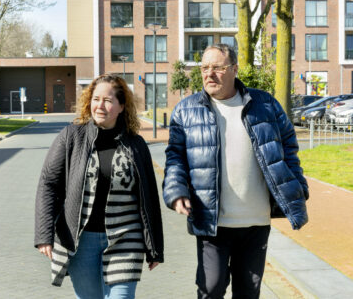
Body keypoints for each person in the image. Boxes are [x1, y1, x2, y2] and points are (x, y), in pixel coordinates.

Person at [163, 43, 309, 299]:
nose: (209, 74)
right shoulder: (186, 111)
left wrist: (297, 185)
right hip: (212, 221)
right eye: (204, 68)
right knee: (211, 288)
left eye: (217, 68)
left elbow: (288, 146)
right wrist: (176, 191)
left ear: (234, 69)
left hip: (256, 221)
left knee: (248, 293)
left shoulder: (265, 104)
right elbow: (175, 156)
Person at [35, 74, 164, 299]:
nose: (100, 105)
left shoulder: (135, 144)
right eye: (96, 99)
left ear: (122, 106)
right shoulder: (72, 137)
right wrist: (44, 234)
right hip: (82, 239)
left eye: (108, 100)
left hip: (126, 237)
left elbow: (149, 196)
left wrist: (155, 247)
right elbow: (49, 183)